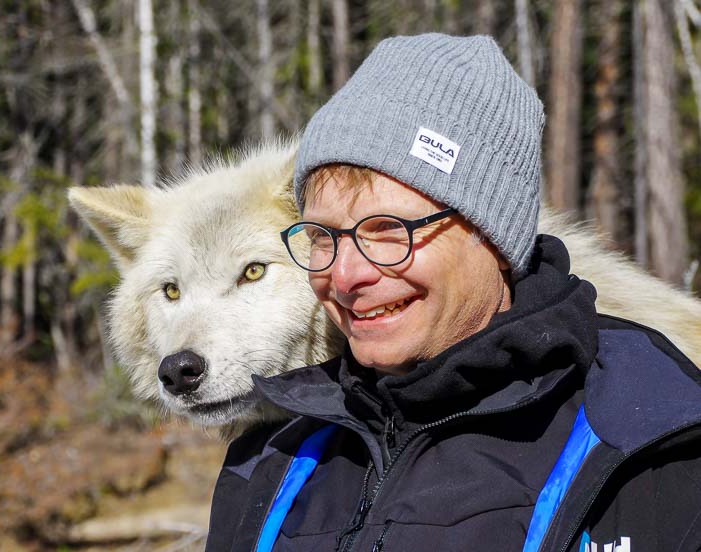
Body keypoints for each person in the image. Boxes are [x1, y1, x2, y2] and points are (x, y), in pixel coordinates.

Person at [205, 34, 701, 552]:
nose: (346, 275)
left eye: (389, 229)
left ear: (489, 232)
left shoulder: (649, 443)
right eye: (322, 237)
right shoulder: (274, 454)